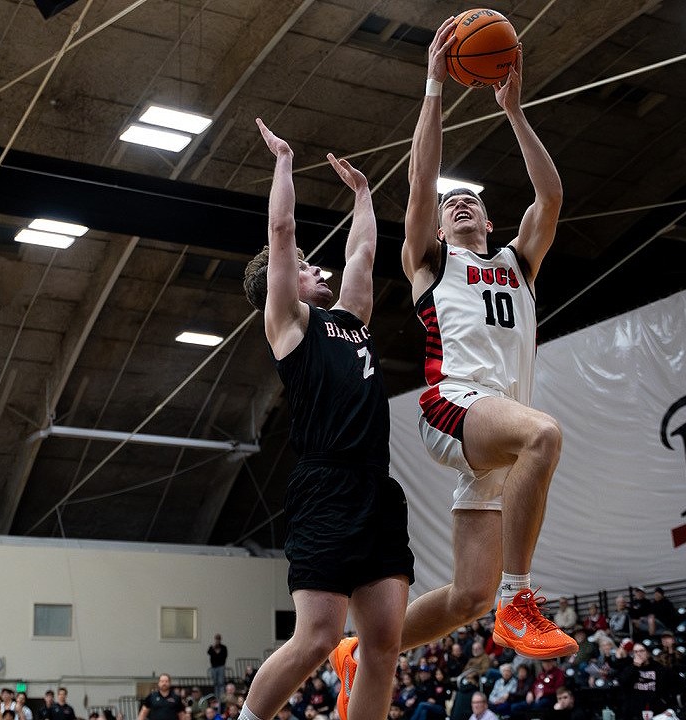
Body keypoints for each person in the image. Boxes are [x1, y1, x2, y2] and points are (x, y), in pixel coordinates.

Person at [384, 11, 573, 669]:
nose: (460, 203)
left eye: (472, 201)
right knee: (544, 435)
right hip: (455, 405)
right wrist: (434, 86)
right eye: (450, 204)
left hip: (497, 426)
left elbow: (550, 197)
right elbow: (420, 183)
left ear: (491, 222)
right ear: (438, 228)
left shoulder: (518, 262)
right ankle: (519, 603)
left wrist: (514, 112)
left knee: (468, 597)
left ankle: (360, 651)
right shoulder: (431, 263)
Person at [239, 118, 413, 720]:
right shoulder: (288, 325)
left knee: (384, 644)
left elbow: (362, 251)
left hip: (376, 488)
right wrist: (284, 161)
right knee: (317, 637)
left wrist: (363, 194)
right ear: (283, 281)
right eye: (308, 267)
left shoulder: (351, 319)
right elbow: (282, 230)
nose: (321, 271)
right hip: (326, 487)